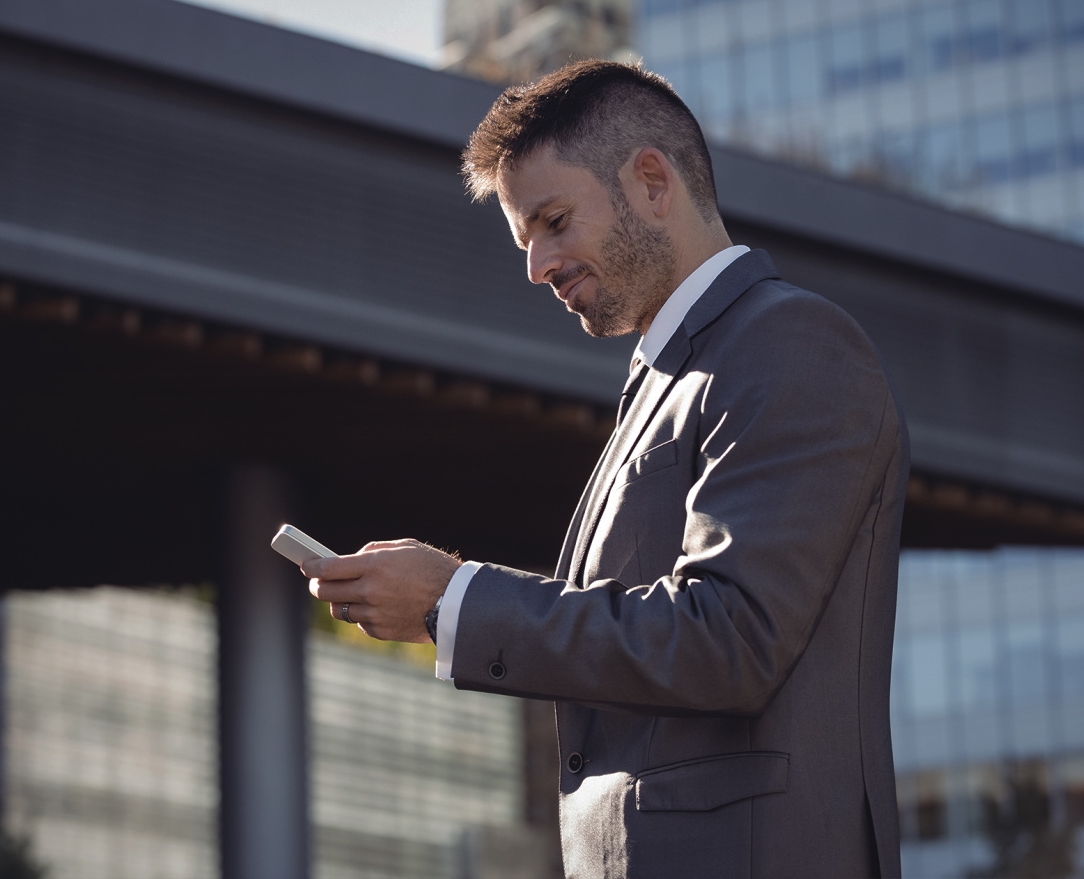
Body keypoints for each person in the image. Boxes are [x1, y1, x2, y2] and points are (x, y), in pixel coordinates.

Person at [304, 60, 908, 878]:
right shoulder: (665, 378)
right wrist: (445, 606)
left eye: (554, 221)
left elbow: (730, 637)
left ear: (652, 182)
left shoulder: (789, 342)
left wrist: (456, 601)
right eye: (526, 240)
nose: (536, 266)